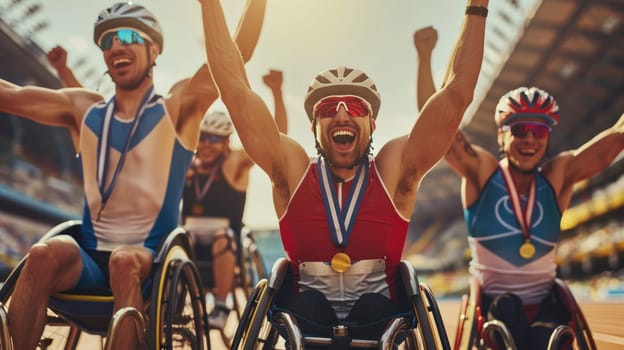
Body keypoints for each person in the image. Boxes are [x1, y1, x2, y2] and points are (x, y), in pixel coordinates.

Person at [200, 0, 487, 342]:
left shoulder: (396, 170)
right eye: (326, 108)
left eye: (354, 106)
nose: (340, 115)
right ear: (313, 127)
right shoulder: (290, 169)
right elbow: (235, 90)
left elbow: (456, 95)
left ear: (372, 122)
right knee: (308, 305)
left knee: (371, 308)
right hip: (306, 323)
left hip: (381, 323)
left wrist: (477, 8)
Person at [0, 1, 267, 348]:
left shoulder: (178, 106)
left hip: (150, 259)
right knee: (40, 254)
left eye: (127, 35)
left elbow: (238, 53)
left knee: (124, 260)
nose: (115, 46)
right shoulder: (83, 107)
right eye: (107, 40)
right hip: (89, 259)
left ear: (153, 47)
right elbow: (11, 95)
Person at [414, 26, 624, 348]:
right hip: (492, 308)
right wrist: (425, 57)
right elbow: (438, 126)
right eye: (519, 129)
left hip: (548, 309)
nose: (529, 139)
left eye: (539, 131)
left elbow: (615, 140)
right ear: (501, 135)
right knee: (505, 319)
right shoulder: (483, 172)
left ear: (548, 137)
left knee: (548, 335)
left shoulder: (558, 175)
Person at [181, 69, 288, 330]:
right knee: (176, 237)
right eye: (203, 138)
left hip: (225, 236)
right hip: (189, 234)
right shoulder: (188, 163)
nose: (206, 144)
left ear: (226, 142)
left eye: (214, 139)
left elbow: (275, 140)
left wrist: (276, 92)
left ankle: (221, 305)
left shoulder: (233, 164)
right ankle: (173, 303)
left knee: (222, 237)